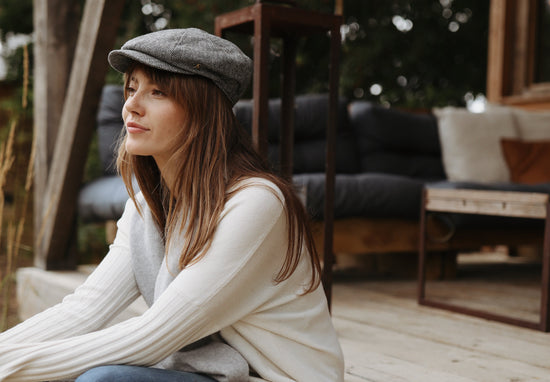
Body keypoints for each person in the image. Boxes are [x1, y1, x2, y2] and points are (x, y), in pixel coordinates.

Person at [0, 28, 344, 382]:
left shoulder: (256, 203)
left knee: (102, 381)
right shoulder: (148, 206)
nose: (131, 105)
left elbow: (152, 336)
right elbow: (84, 311)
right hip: (213, 370)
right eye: (132, 88)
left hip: (278, 377)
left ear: (203, 111)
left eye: (157, 92)